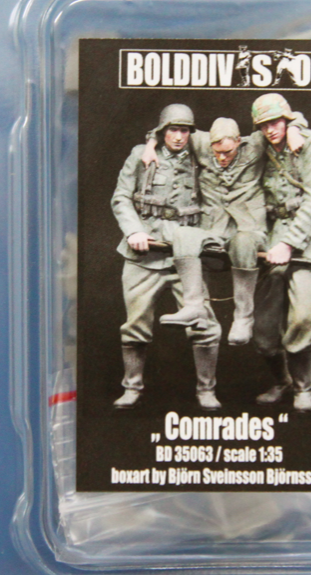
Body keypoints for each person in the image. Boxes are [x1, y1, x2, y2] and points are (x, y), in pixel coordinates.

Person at [141, 112, 307, 345]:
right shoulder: (200, 141)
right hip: (213, 228)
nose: (221, 158)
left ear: (239, 142)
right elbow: (166, 129)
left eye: (227, 152)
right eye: (216, 152)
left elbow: (290, 117)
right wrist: (150, 145)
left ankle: (243, 318)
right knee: (183, 234)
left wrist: (294, 130)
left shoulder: (256, 143)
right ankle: (194, 307)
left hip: (250, 229)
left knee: (243, 241)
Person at [111, 104, 222, 411]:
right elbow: (121, 197)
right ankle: (132, 387)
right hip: (144, 253)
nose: (178, 136)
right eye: (172, 129)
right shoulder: (141, 155)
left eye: (184, 130)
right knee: (135, 324)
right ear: (162, 131)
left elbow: (236, 140)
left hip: (185, 256)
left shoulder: (201, 155)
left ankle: (206, 390)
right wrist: (133, 230)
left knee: (203, 323)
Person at [251, 93, 311, 412]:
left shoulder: (309, 142)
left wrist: (288, 243)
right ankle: (282, 381)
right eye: (263, 125)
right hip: (273, 239)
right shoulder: (259, 145)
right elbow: (216, 140)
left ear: (287, 119)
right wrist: (152, 140)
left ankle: (304, 388)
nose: (270, 129)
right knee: (263, 329)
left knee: (301, 319)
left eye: (276, 122)